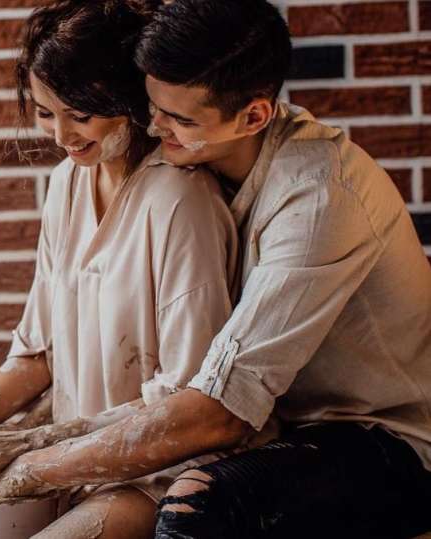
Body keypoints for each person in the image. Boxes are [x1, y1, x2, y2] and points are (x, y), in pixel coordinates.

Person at [0, 1, 241, 537]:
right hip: (68, 462)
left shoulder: (179, 198)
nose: (60, 136)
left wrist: (32, 445)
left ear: (128, 99)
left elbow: (190, 400)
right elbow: (36, 354)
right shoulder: (66, 185)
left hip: (157, 471)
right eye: (46, 113)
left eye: (80, 113)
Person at [132, 1, 431, 537]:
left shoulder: (319, 194)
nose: (156, 129)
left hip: (392, 444)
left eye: (180, 119)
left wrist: (31, 465)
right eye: (153, 106)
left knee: (195, 503)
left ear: (254, 116)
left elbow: (220, 411)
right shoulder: (200, 162)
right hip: (282, 428)